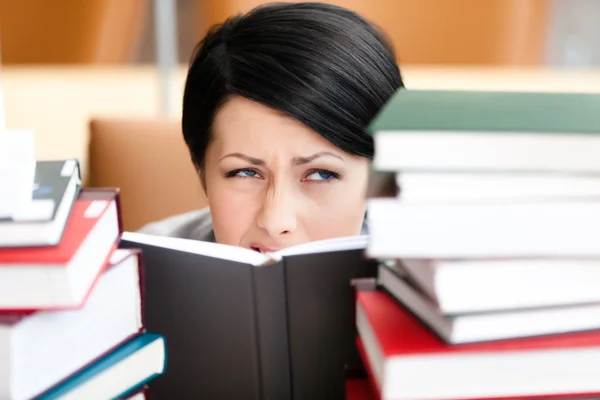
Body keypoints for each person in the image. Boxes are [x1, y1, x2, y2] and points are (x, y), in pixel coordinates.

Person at [139, 1, 404, 251]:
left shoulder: (432, 277)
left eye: (321, 174)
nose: (277, 222)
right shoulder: (139, 271)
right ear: (202, 172)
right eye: (245, 172)